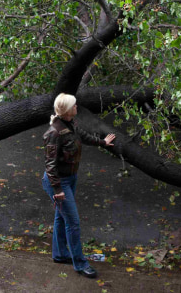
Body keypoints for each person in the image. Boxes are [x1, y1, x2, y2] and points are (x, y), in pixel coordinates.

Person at [42, 93, 116, 279]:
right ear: (67, 111)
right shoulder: (54, 133)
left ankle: (59, 255)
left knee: (62, 217)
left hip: (70, 178)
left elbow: (82, 136)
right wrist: (57, 191)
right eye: (74, 106)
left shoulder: (71, 124)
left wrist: (103, 142)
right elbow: (50, 166)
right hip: (58, 182)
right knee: (73, 223)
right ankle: (80, 264)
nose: (77, 107)